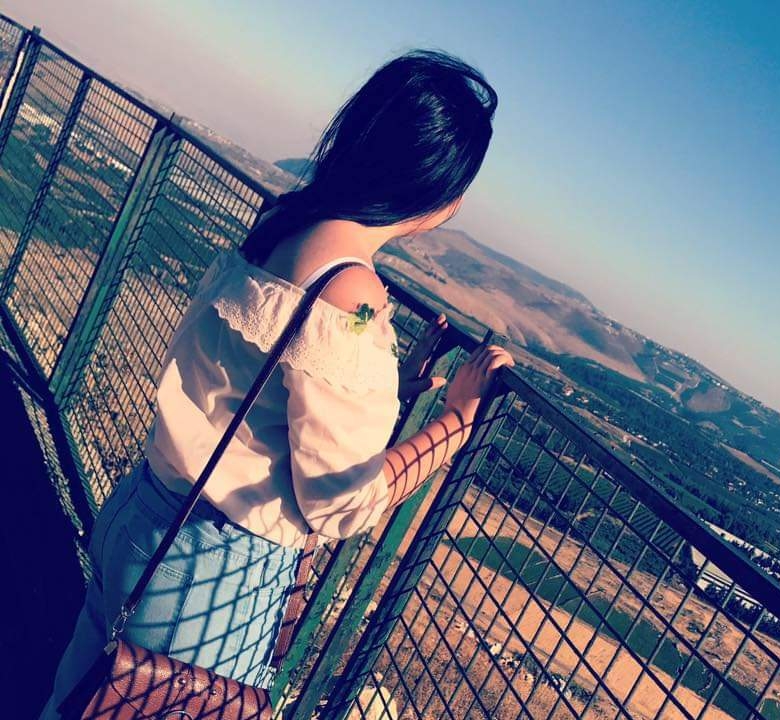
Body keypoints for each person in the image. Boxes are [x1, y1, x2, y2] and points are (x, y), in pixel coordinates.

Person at [40, 48, 513, 718]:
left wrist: (385, 389)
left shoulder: (280, 229)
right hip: (210, 577)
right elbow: (342, 503)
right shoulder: (352, 293)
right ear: (440, 192)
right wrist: (456, 422)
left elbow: (273, 381)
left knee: (74, 699)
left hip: (145, 513)